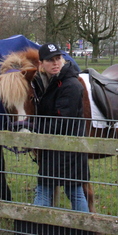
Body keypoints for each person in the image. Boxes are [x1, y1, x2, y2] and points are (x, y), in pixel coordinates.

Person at [31, 42, 90, 212]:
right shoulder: (54, 83)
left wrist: (35, 127)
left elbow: (62, 121)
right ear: (41, 63)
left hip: (67, 150)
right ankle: (82, 233)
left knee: (68, 192)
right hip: (60, 148)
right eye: (50, 60)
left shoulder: (70, 85)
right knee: (72, 191)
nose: (55, 63)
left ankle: (35, 232)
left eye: (58, 58)